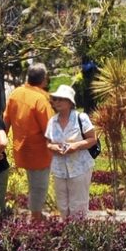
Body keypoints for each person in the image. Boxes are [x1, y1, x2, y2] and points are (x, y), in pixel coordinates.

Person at [5, 63, 56, 222]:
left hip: (21, 149)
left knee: (33, 185)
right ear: (44, 79)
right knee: (39, 187)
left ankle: (36, 215)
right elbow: (50, 130)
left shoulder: (15, 93)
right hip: (39, 153)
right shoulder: (41, 99)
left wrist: (0, 144)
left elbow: (5, 122)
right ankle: (35, 219)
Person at [45, 84, 98, 220]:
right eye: (55, 99)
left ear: (69, 102)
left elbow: (93, 139)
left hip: (79, 167)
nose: (57, 102)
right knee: (62, 204)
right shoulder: (52, 121)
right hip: (59, 168)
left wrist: (75, 146)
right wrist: (54, 147)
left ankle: (78, 235)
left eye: (61, 99)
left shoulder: (81, 118)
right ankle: (66, 231)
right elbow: (48, 143)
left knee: (78, 205)